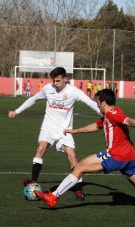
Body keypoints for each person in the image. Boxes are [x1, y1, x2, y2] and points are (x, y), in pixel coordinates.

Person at [34, 89, 135, 211]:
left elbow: (127, 120)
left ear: (103, 103)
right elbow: (97, 126)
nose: (96, 105)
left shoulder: (114, 113)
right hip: (128, 156)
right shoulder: (108, 115)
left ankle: (53, 197)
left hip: (117, 155)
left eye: (97, 102)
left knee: (79, 167)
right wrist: (75, 131)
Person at [8, 67, 101, 201]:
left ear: (65, 79)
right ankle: (33, 182)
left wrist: (102, 112)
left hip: (64, 129)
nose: (55, 84)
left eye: (58, 81)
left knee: (72, 156)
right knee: (41, 149)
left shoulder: (74, 92)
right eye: (53, 81)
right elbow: (33, 99)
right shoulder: (48, 88)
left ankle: (78, 189)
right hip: (48, 126)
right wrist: (17, 111)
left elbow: (91, 103)